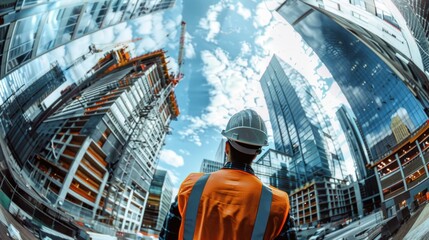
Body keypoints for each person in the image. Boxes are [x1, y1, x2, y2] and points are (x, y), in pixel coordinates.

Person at [160, 109, 296, 240]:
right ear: (257, 152)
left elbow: (166, 235)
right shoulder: (278, 204)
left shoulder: (192, 187)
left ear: (226, 147)